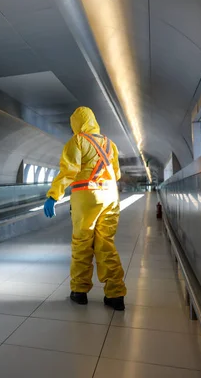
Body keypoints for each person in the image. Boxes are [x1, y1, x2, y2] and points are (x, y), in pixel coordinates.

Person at [44, 106, 127, 310]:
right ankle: (115, 295)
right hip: (110, 196)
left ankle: (79, 291)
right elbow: (116, 174)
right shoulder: (111, 145)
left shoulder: (78, 141)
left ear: (76, 124)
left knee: (82, 243)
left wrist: (53, 195)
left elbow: (68, 172)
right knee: (106, 243)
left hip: (86, 196)